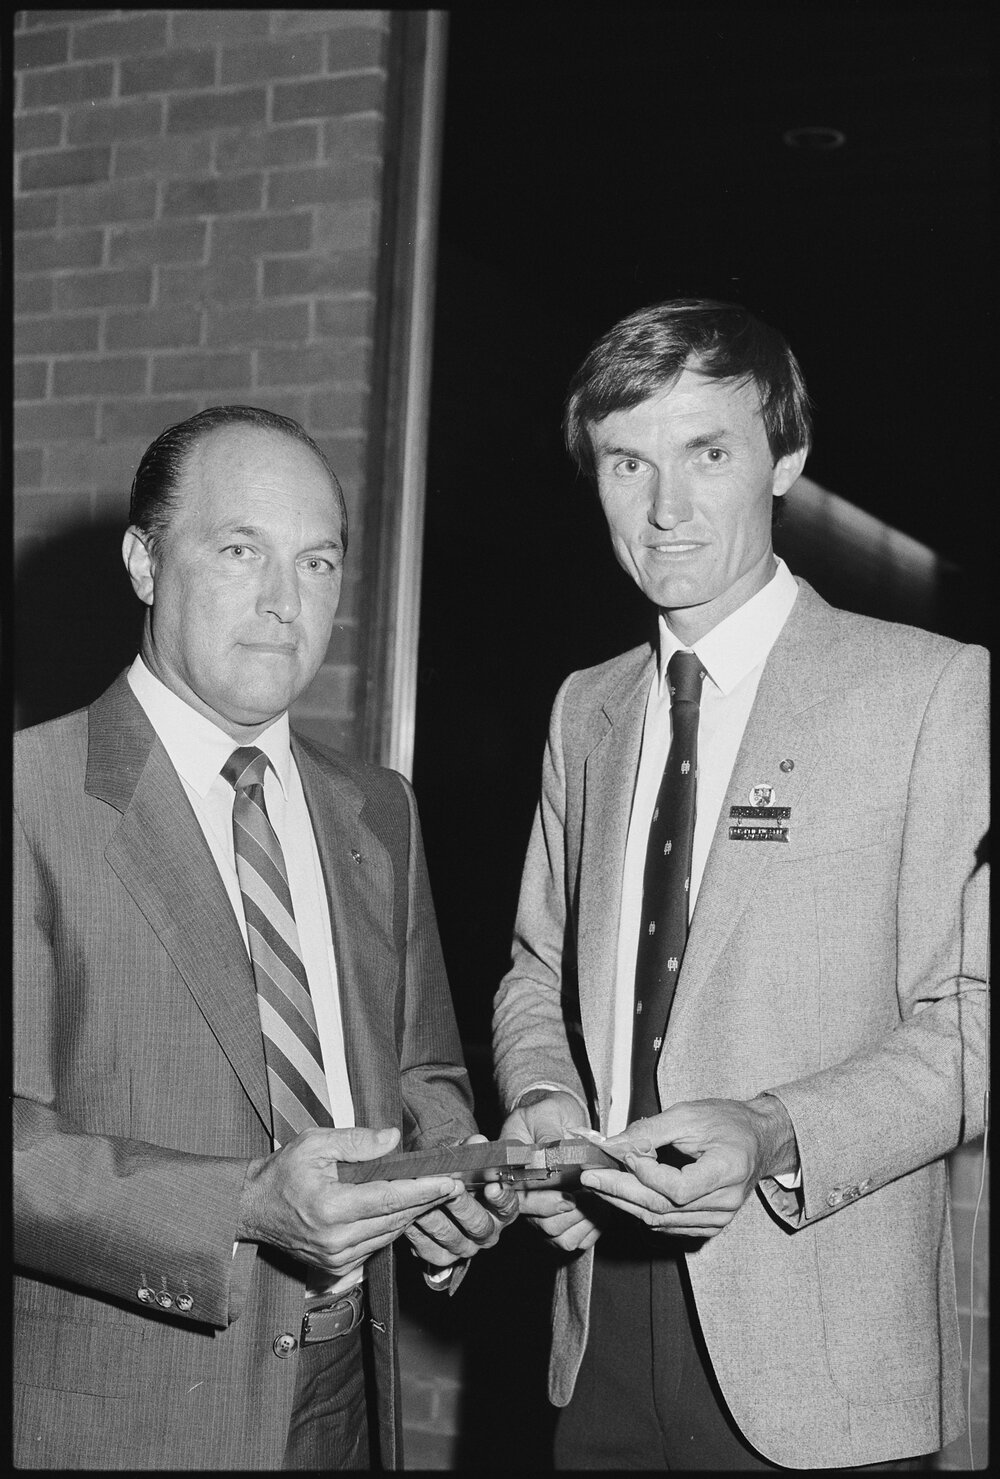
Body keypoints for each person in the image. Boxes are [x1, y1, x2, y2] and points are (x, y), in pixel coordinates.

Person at [492, 299, 988, 1470]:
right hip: (594, 1328)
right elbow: (537, 969)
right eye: (628, 462)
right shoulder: (586, 708)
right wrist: (545, 1108)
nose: (665, 509)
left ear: (786, 458)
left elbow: (975, 1018)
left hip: (821, 1358)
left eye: (707, 453)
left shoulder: (928, 693)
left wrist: (768, 1134)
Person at [13, 405, 514, 1470]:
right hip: (130, 1415)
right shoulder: (28, 798)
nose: (285, 603)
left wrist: (445, 1181)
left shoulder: (378, 809)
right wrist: (245, 1205)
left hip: (345, 1391)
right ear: (145, 563)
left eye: (319, 563)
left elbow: (421, 1070)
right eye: (241, 550)